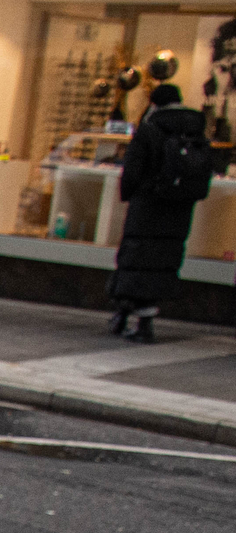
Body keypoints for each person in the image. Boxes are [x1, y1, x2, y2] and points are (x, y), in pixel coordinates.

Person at [107, 83, 219, 343]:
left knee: (136, 257)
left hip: (148, 205)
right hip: (179, 208)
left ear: (154, 103)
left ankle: (130, 316)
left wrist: (128, 194)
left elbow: (133, 169)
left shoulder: (150, 128)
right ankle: (141, 318)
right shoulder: (195, 130)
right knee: (162, 260)